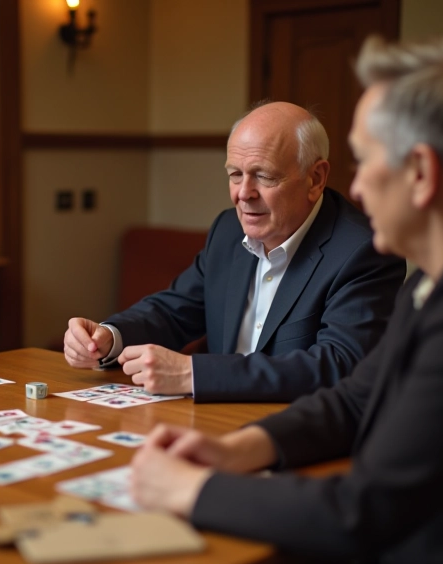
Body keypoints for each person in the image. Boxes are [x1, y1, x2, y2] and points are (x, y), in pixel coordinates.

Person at [131, 35, 443, 564]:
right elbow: (354, 398)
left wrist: (196, 491)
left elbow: (365, 510)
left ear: (421, 172)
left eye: (366, 161)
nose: (359, 190)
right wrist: (238, 450)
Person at [64, 103, 406, 401]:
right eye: (235, 174)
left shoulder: (365, 250)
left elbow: (340, 365)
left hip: (297, 434)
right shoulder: (228, 230)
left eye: (264, 176)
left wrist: (194, 374)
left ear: (315, 179)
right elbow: (174, 310)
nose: (244, 194)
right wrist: (108, 336)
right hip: (211, 421)